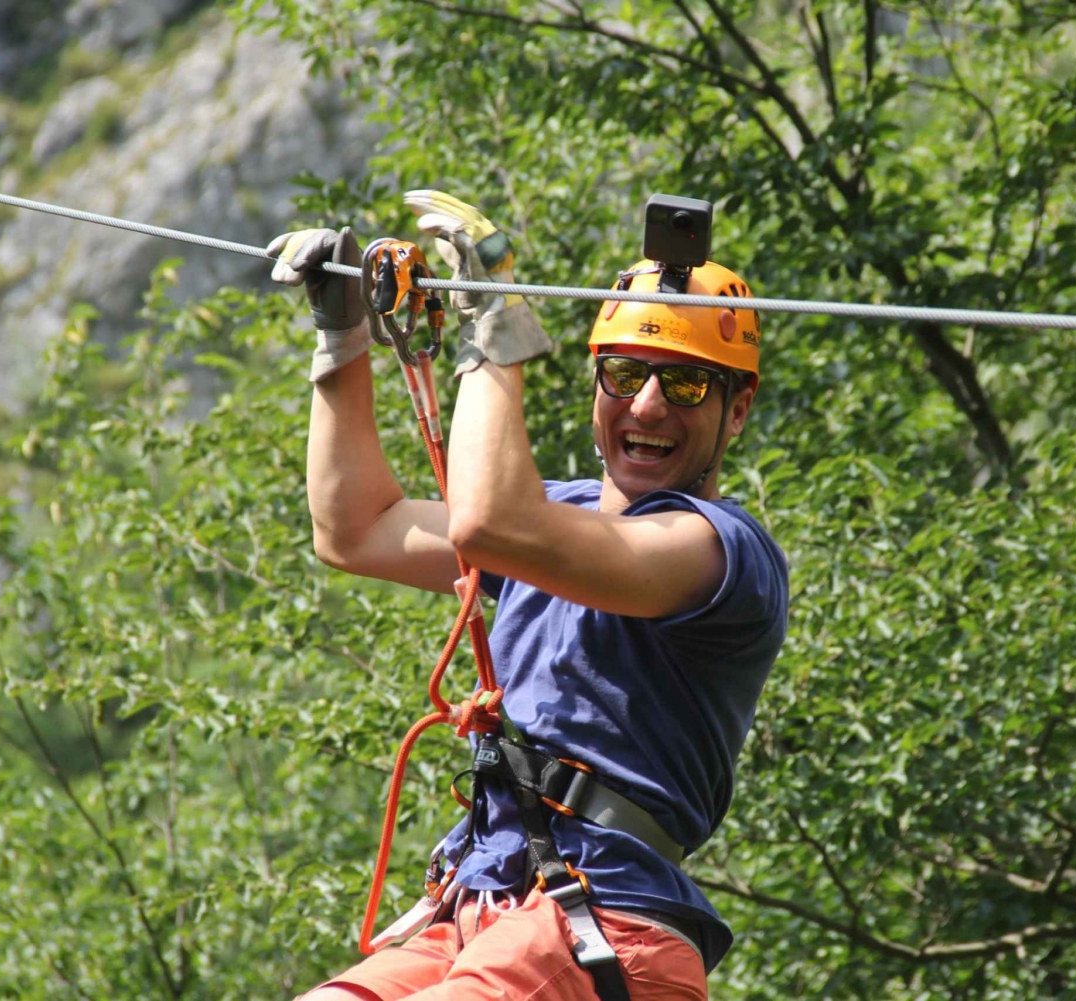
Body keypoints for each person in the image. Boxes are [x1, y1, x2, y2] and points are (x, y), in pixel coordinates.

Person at [269, 190, 788, 1000]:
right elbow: (355, 527)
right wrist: (341, 338)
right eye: (624, 374)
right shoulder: (559, 515)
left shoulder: (720, 553)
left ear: (737, 410)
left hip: (609, 922)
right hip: (487, 899)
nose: (647, 404)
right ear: (596, 387)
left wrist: (496, 327)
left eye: (686, 387)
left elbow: (491, 526)